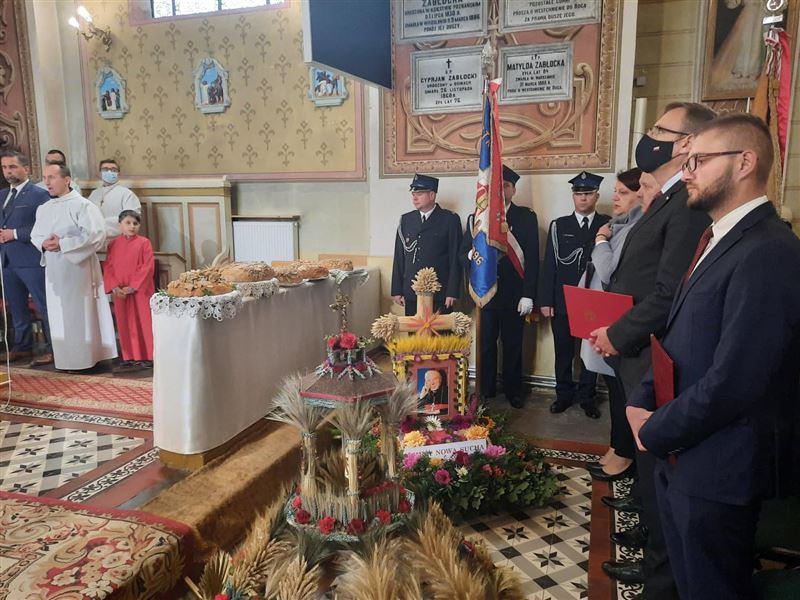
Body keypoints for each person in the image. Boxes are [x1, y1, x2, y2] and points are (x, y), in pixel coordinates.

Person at [628, 113, 800, 600]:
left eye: (699, 161)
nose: (687, 173)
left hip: (719, 466)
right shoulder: (716, 237)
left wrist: (655, 429)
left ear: (744, 162)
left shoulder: (770, 250)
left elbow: (737, 380)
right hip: (686, 452)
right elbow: (681, 335)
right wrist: (642, 398)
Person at [591, 102, 716, 596]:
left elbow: (667, 293)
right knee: (646, 469)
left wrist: (618, 333)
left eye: (660, 129)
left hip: (650, 351)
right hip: (636, 349)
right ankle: (647, 546)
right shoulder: (665, 200)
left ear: (685, 144)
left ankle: (658, 571)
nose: (649, 136)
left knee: (655, 466)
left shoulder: (684, 204)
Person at [579, 168, 643, 480]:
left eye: (623, 192)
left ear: (643, 195)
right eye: (615, 191)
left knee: (623, 394)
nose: (615, 197)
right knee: (616, 391)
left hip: (621, 324)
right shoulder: (622, 224)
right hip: (608, 320)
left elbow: (608, 272)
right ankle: (617, 447)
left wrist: (601, 240)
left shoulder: (633, 229)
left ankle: (624, 453)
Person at [461, 165, 539, 409]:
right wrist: (471, 255)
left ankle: (513, 391)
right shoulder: (478, 216)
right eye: (497, 185)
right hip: (486, 293)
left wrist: (528, 294)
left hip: (515, 295)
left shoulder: (526, 217)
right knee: (485, 345)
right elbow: (464, 253)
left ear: (513, 190)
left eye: (506, 185)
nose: (501, 190)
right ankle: (486, 389)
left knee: (513, 345)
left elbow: (532, 258)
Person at [30, 163, 117, 371]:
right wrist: (44, 243)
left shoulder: (83, 206)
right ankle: (66, 360)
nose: (47, 182)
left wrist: (63, 244)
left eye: (52, 177)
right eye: (45, 178)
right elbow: (35, 234)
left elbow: (96, 236)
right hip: (54, 268)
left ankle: (86, 360)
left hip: (78, 268)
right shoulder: (44, 208)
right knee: (59, 314)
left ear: (67, 180)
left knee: (79, 314)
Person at [539, 171, 610, 419]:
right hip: (564, 300)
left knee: (591, 352)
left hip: (594, 300)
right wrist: (546, 300)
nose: (583, 198)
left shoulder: (608, 224)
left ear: (596, 196)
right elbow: (550, 265)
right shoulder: (559, 225)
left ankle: (587, 397)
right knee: (564, 352)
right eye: (579, 194)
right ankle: (563, 395)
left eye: (588, 193)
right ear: (573, 196)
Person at [0, 151, 53, 366]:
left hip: (31, 259)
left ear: (26, 169)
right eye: (4, 167)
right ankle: (22, 346)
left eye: (12, 167)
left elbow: (45, 226)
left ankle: (53, 348)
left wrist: (15, 233)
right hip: (7, 260)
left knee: (43, 305)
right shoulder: (2, 195)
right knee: (16, 306)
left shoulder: (40, 195)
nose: (8, 172)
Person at [391, 173, 462, 316]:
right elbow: (399, 257)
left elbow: (455, 258)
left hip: (439, 292)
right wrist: (397, 290)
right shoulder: (406, 220)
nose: (414, 198)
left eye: (419, 193)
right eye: (413, 194)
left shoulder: (449, 219)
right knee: (413, 330)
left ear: (432, 195)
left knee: (440, 331)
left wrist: (452, 291)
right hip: (412, 291)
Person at [103, 210, 155, 373]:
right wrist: (114, 286)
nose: (132, 226)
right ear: (120, 225)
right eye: (128, 223)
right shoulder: (113, 244)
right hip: (120, 292)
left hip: (140, 291)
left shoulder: (144, 243)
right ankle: (129, 356)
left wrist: (133, 286)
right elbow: (108, 266)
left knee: (143, 321)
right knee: (125, 323)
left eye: (135, 223)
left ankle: (148, 356)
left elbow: (147, 267)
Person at [87, 159, 142, 244]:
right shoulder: (94, 194)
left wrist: (100, 226)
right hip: (95, 241)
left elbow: (131, 219)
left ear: (118, 174)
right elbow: (87, 217)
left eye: (113, 170)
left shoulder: (127, 194)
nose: (109, 172)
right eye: (105, 169)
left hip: (119, 240)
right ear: (100, 173)